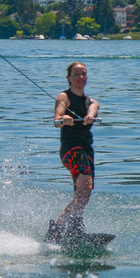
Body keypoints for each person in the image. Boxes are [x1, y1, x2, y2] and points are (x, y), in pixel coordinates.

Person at [45, 62, 100, 244]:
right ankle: (68, 228)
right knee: (84, 184)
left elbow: (93, 110)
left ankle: (64, 228)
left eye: (84, 74)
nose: (81, 77)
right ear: (69, 78)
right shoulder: (64, 97)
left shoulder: (92, 102)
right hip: (71, 149)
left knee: (85, 192)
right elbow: (56, 119)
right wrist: (64, 119)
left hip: (87, 149)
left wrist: (90, 116)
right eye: (77, 74)